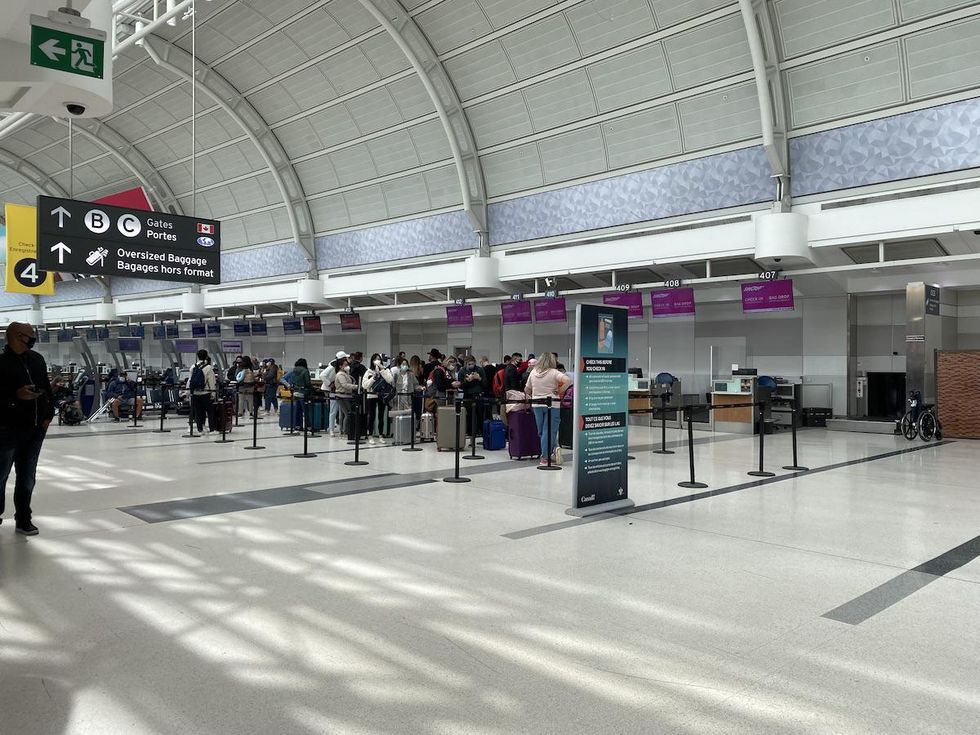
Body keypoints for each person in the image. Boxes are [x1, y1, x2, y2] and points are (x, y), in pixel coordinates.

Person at [0, 323, 54, 535]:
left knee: (27, 477)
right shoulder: (1, 363)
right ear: (17, 336)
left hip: (35, 430)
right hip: (7, 430)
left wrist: (48, 415)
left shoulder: (36, 359)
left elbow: (47, 389)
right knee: (0, 477)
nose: (33, 338)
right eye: (31, 335)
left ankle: (23, 519)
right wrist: (16, 396)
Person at [524, 351, 570, 466]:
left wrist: (536, 392)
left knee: (542, 432)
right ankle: (546, 456)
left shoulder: (533, 372)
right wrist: (559, 390)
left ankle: (551, 451)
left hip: (537, 405)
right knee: (549, 430)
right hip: (552, 405)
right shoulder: (554, 372)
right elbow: (568, 381)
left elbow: (526, 390)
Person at [361, 353, 393, 444]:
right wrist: (373, 379)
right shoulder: (368, 371)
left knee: (381, 416)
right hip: (371, 396)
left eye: (379, 359)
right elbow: (364, 385)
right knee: (371, 416)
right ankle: (370, 435)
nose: (377, 361)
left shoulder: (385, 370)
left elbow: (390, 380)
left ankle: (381, 435)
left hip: (382, 396)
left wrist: (382, 370)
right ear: (372, 361)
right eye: (375, 359)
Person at [190, 349, 217, 434]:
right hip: (205, 392)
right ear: (206, 356)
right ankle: (212, 429)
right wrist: (213, 393)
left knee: (198, 412)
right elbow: (211, 381)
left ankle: (200, 429)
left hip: (195, 393)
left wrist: (190, 392)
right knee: (210, 411)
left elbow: (190, 380)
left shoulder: (193, 367)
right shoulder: (208, 367)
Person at [457, 355, 486, 435]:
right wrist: (467, 381)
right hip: (468, 395)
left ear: (475, 362)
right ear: (466, 364)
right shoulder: (462, 371)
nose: (471, 366)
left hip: (479, 395)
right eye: (469, 364)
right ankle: (470, 432)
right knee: (469, 415)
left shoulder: (480, 370)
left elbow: (485, 383)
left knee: (480, 414)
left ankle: (481, 432)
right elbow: (460, 385)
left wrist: (479, 378)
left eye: (472, 364)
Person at [322, 351, 348, 436]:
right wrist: (329, 384)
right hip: (332, 390)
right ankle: (331, 429)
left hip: (338, 390)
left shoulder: (341, 367)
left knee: (340, 411)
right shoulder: (331, 366)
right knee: (333, 410)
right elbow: (322, 375)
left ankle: (340, 429)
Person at [285, 358, 313, 430]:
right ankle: (308, 427)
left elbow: (291, 381)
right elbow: (307, 383)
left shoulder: (293, 370)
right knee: (306, 411)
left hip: (295, 392)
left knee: (298, 410)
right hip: (303, 392)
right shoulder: (305, 371)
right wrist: (311, 388)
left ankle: (298, 426)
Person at [333, 357, 355, 436]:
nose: (347, 366)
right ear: (340, 366)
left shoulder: (345, 374)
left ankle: (342, 430)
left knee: (343, 414)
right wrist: (355, 387)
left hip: (345, 396)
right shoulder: (340, 375)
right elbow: (344, 385)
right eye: (345, 365)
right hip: (342, 396)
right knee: (347, 414)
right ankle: (346, 431)